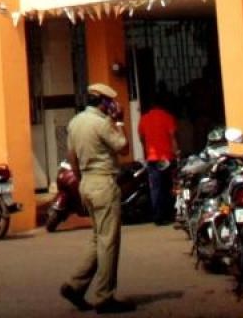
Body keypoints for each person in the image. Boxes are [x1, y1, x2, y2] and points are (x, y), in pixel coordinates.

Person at [60, 83, 135, 314]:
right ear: (104, 103)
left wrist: (81, 180)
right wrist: (119, 122)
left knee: (97, 238)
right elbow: (123, 148)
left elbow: (71, 156)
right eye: (110, 102)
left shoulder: (75, 122)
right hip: (103, 182)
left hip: (86, 183)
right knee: (108, 241)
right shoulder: (102, 123)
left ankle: (75, 285)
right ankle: (105, 296)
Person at [137, 96, 178, 225]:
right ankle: (168, 214)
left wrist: (146, 151)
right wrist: (176, 152)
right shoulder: (167, 117)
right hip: (166, 158)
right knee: (167, 187)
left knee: (155, 188)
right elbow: (172, 137)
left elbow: (141, 138)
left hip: (152, 158)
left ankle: (158, 216)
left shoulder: (144, 119)